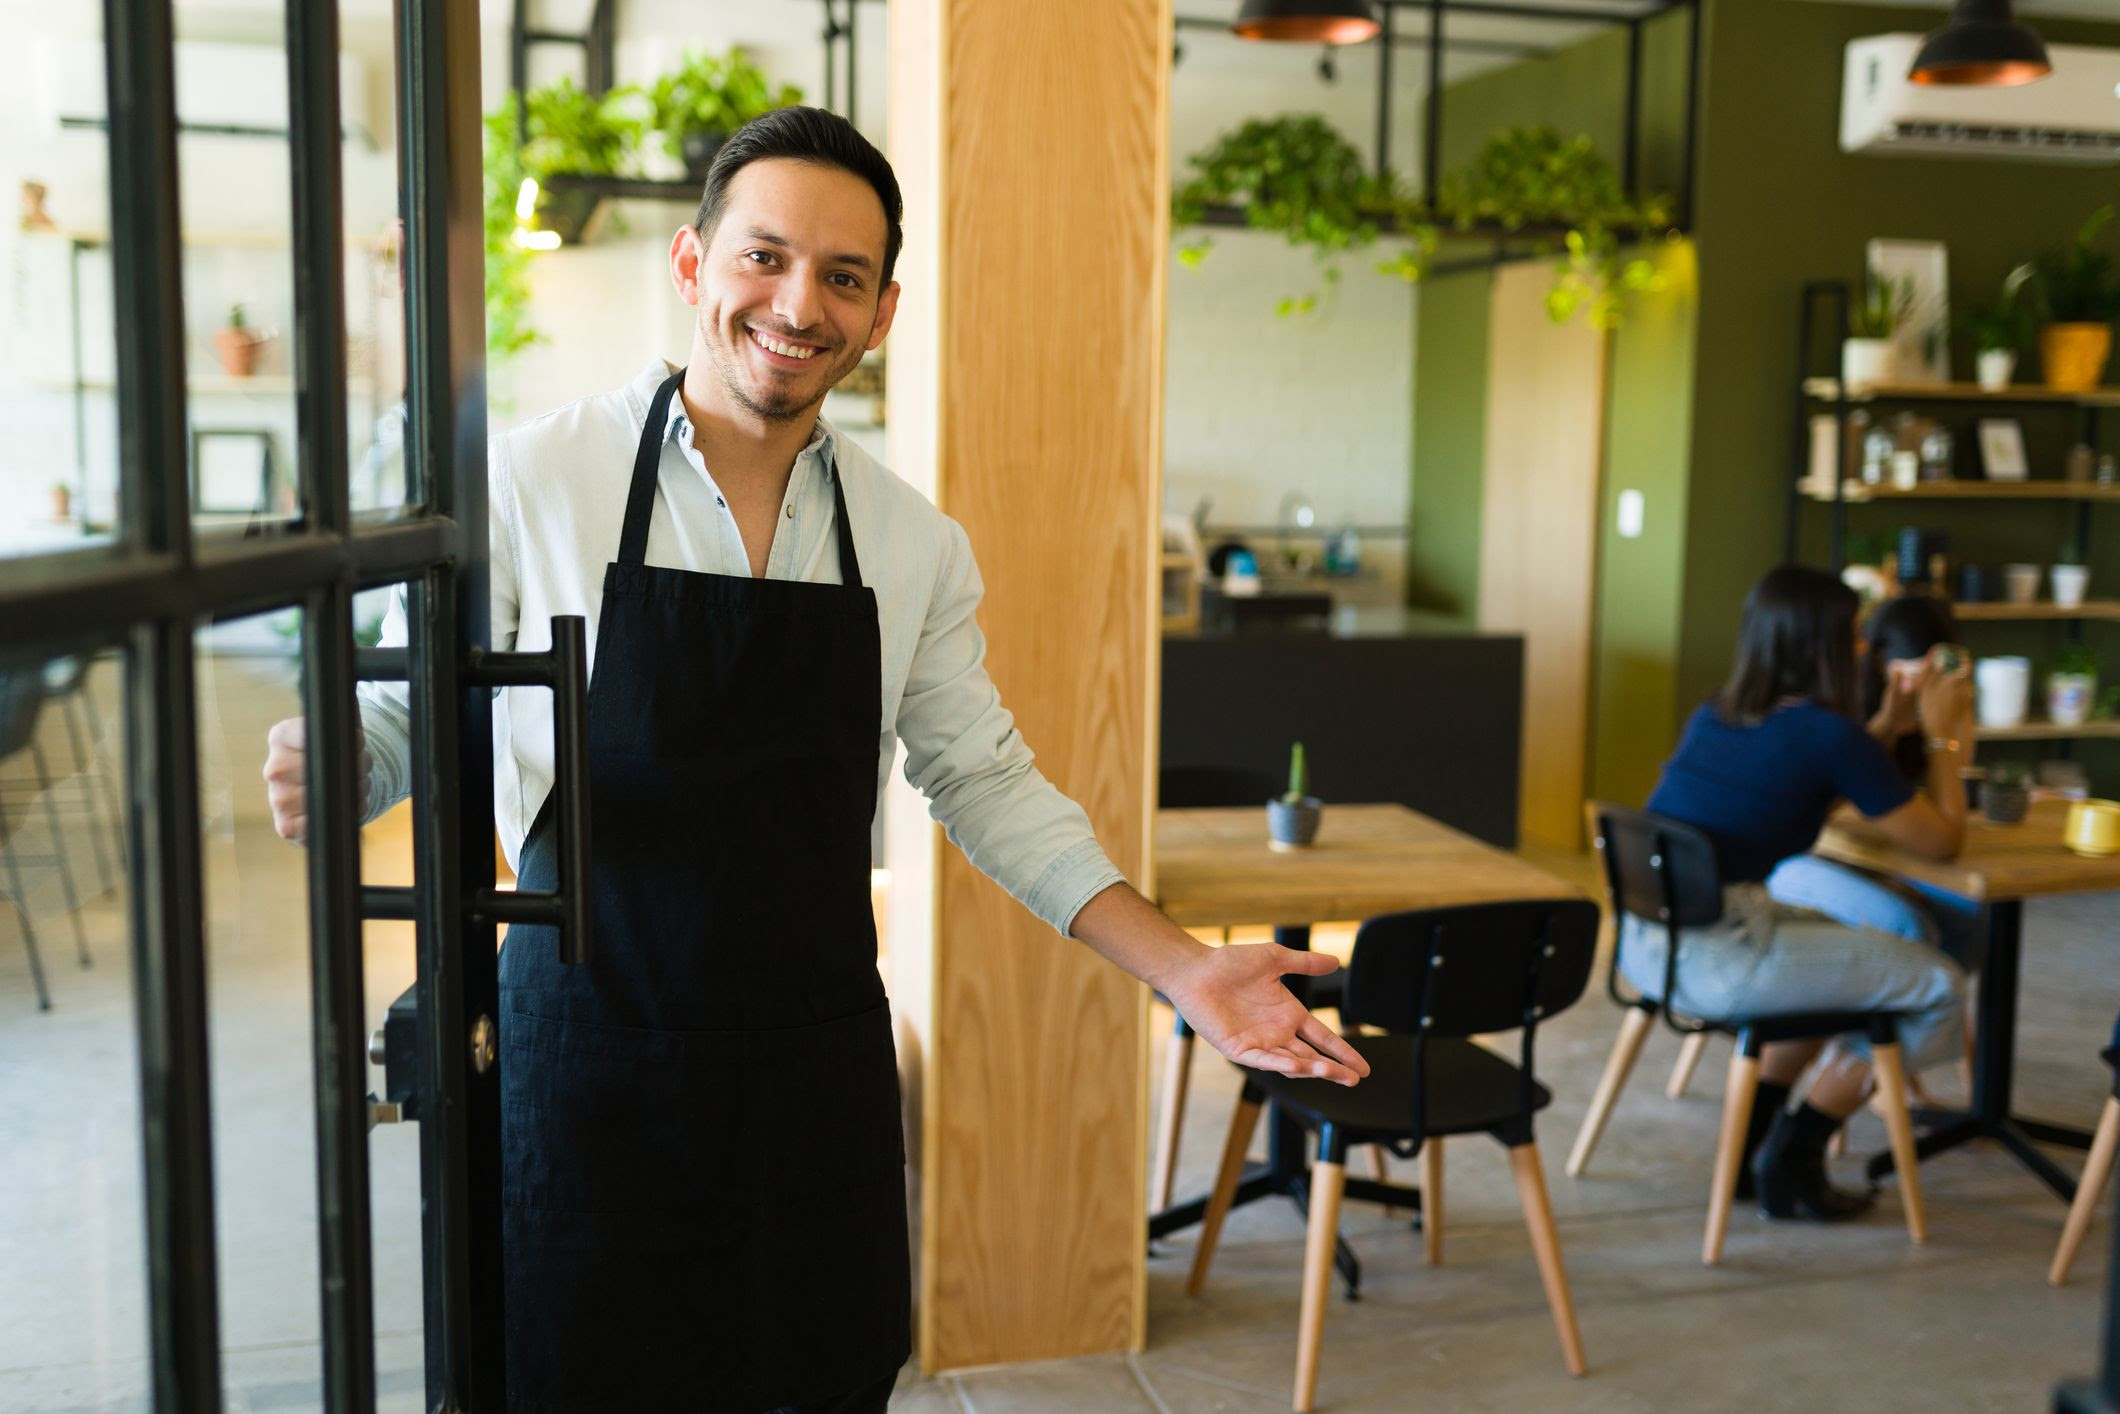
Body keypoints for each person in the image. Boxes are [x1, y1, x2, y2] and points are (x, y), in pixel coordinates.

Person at [262, 108, 1367, 1413]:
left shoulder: (909, 544)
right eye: (764, 257)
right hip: (585, 1066)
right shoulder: (531, 481)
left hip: (808, 1079)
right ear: (691, 263)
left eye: (843, 277)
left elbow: (984, 778)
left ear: (883, 310)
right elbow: (409, 714)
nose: (798, 304)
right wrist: (336, 753)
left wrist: (1182, 964)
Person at [1618, 566, 1972, 1223]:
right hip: (1724, 957)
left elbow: (1822, 774)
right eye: (1854, 635)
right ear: (1821, 647)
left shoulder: (1719, 712)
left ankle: (1751, 1154)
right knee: (1939, 986)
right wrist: (1943, 731)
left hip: (1649, 948)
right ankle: (1794, 1152)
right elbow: (1943, 841)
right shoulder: (1827, 734)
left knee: (1840, 973)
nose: (1864, 649)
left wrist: (1889, 724)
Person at [1767, 593, 1987, 972]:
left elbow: (1952, 786)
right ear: (1880, 662)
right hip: (1813, 857)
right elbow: (1831, 804)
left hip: (1881, 851)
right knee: (1918, 923)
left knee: (1967, 913)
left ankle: (1923, 1016)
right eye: (1911, 677)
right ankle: (1904, 1017)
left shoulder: (1932, 706)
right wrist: (1897, 727)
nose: (1919, 691)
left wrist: (1953, 718)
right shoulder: (1838, 704)